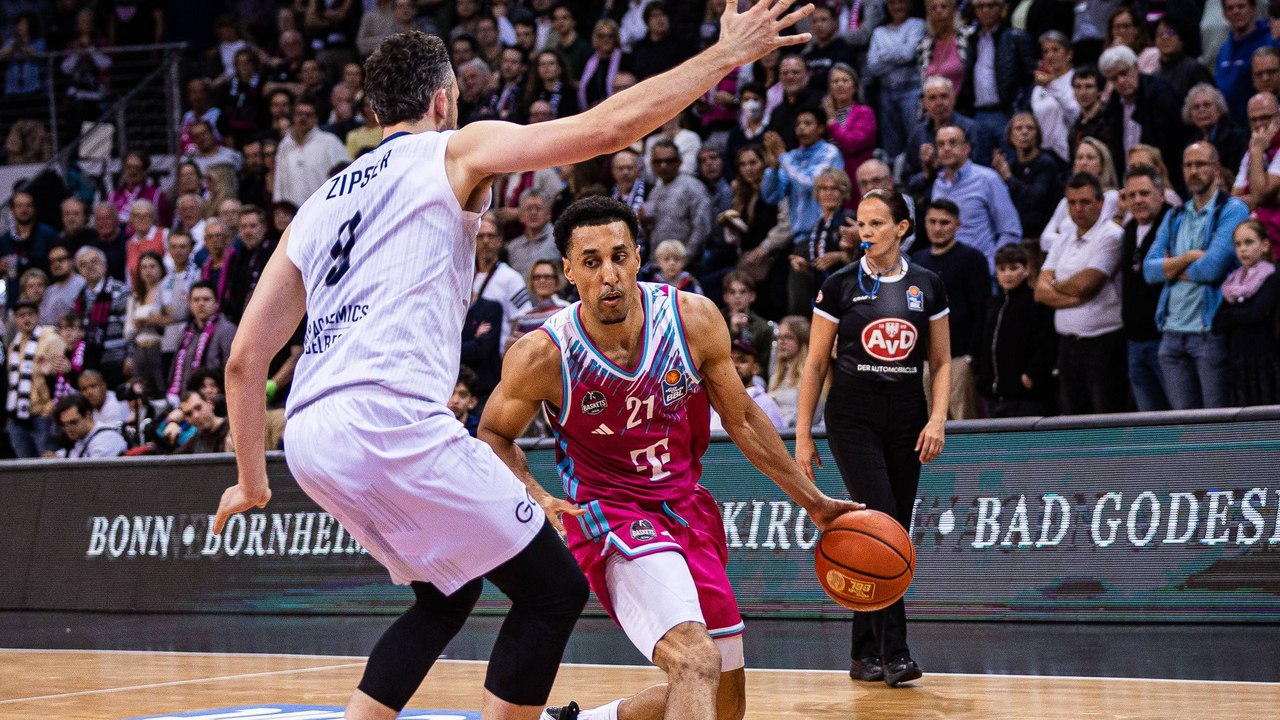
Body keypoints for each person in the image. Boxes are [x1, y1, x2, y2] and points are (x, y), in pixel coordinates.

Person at [212, 7, 820, 719]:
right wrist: (724, 55)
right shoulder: (453, 150)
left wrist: (251, 482)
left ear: (375, 110)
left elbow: (245, 360)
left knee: (445, 594)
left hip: (312, 439)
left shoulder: (316, 205)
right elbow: (608, 129)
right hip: (392, 417)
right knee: (554, 590)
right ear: (443, 100)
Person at [478, 196, 856, 720]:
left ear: (638, 257)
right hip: (609, 517)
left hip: (686, 509)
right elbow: (493, 435)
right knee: (696, 661)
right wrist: (539, 499)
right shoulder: (544, 354)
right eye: (591, 262)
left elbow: (742, 418)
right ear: (568, 269)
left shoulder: (693, 318)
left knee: (724, 704)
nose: (609, 275)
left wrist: (813, 502)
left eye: (619, 256)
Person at [795, 188, 950, 688]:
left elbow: (942, 361)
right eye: (861, 222)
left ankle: (864, 654)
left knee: (891, 533)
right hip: (852, 417)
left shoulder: (927, 285)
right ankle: (896, 653)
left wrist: (938, 419)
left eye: (878, 223)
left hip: (908, 416)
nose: (866, 231)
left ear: (902, 228)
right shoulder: (840, 284)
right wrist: (802, 437)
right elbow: (815, 363)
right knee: (880, 521)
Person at [1142, 142, 1247, 410]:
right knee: (1184, 425)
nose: (1193, 171)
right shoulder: (1175, 214)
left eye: (1200, 164)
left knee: (1216, 423)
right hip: (1171, 331)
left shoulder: (1233, 209)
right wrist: (1190, 257)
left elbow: (1211, 269)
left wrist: (1171, 268)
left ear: (1215, 168)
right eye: (1188, 165)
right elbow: (1150, 271)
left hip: (1208, 331)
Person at [1035, 172, 1127, 415]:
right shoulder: (1064, 236)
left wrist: (1056, 282)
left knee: (1105, 416)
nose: (1078, 209)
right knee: (1072, 418)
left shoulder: (1111, 235)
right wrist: (1073, 293)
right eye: (1072, 203)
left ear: (1100, 203)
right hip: (1067, 344)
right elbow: (1040, 292)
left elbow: (1087, 284)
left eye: (1085, 202)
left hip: (1103, 343)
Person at [910, 199, 989, 420]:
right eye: (932, 221)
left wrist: (972, 356)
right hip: (923, 358)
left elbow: (982, 310)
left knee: (963, 417)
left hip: (959, 356)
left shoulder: (972, 259)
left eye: (944, 222)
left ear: (958, 224)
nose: (937, 228)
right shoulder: (917, 259)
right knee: (924, 423)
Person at [976, 244, 1056, 417]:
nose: (1008, 274)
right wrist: (981, 374)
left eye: (1014, 268)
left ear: (1027, 269)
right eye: (1002, 269)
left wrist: (1031, 374)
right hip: (994, 395)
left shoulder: (1037, 302)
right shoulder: (992, 304)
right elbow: (982, 341)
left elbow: (1048, 342)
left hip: (1026, 396)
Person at [929, 124, 1022, 270]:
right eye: (941, 144)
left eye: (952, 143)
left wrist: (990, 267)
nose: (946, 148)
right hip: (945, 272)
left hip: (980, 273)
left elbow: (1010, 231)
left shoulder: (988, 179)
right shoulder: (938, 184)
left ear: (967, 148)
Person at [1119, 165, 1173, 412]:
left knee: (1178, 416)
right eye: (1132, 195)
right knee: (1148, 423)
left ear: (1161, 194)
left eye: (1144, 193)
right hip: (1134, 341)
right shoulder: (1129, 230)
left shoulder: (1174, 222)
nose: (1137, 200)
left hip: (1165, 339)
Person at [1213, 219, 1279, 406]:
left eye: (1249, 242)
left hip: (1265, 362)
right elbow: (1217, 323)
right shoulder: (1233, 283)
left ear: (1265, 245)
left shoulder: (1273, 276)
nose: (1243, 249)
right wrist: (1243, 312)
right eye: (1238, 244)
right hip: (1238, 363)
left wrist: (1235, 313)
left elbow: (1256, 313)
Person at [992, 112, 1066, 240]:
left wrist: (1008, 177)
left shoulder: (1045, 163)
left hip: (1041, 233)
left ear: (1037, 135)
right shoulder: (1011, 165)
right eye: (1019, 128)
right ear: (1010, 136)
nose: (1024, 132)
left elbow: (1034, 199)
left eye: (1030, 128)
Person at [6, 300, 64, 457]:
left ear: (38, 316)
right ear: (15, 320)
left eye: (30, 314)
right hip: (17, 417)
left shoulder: (51, 339)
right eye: (21, 315)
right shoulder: (14, 346)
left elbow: (63, 374)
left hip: (43, 415)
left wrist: (50, 409)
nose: (26, 319)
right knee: (26, 470)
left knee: (48, 467)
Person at [166, 281, 237, 406]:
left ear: (216, 303)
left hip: (216, 402)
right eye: (196, 300)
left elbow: (233, 369)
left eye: (206, 299)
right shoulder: (186, 333)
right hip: (185, 402)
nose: (201, 304)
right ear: (190, 304)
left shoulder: (227, 330)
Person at [53, 393, 127, 459]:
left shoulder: (107, 438)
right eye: (65, 425)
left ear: (87, 415)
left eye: (73, 422)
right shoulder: (79, 440)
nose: (68, 429)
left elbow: (93, 472)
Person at [173, 390, 232, 454]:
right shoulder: (195, 441)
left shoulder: (232, 427)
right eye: (189, 414)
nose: (196, 416)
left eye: (198, 408)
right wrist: (172, 421)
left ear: (209, 404)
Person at [449, 365, 482, 437]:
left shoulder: (480, 432)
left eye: (462, 395)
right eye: (451, 393)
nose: (455, 401)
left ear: (472, 402)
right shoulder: (430, 426)